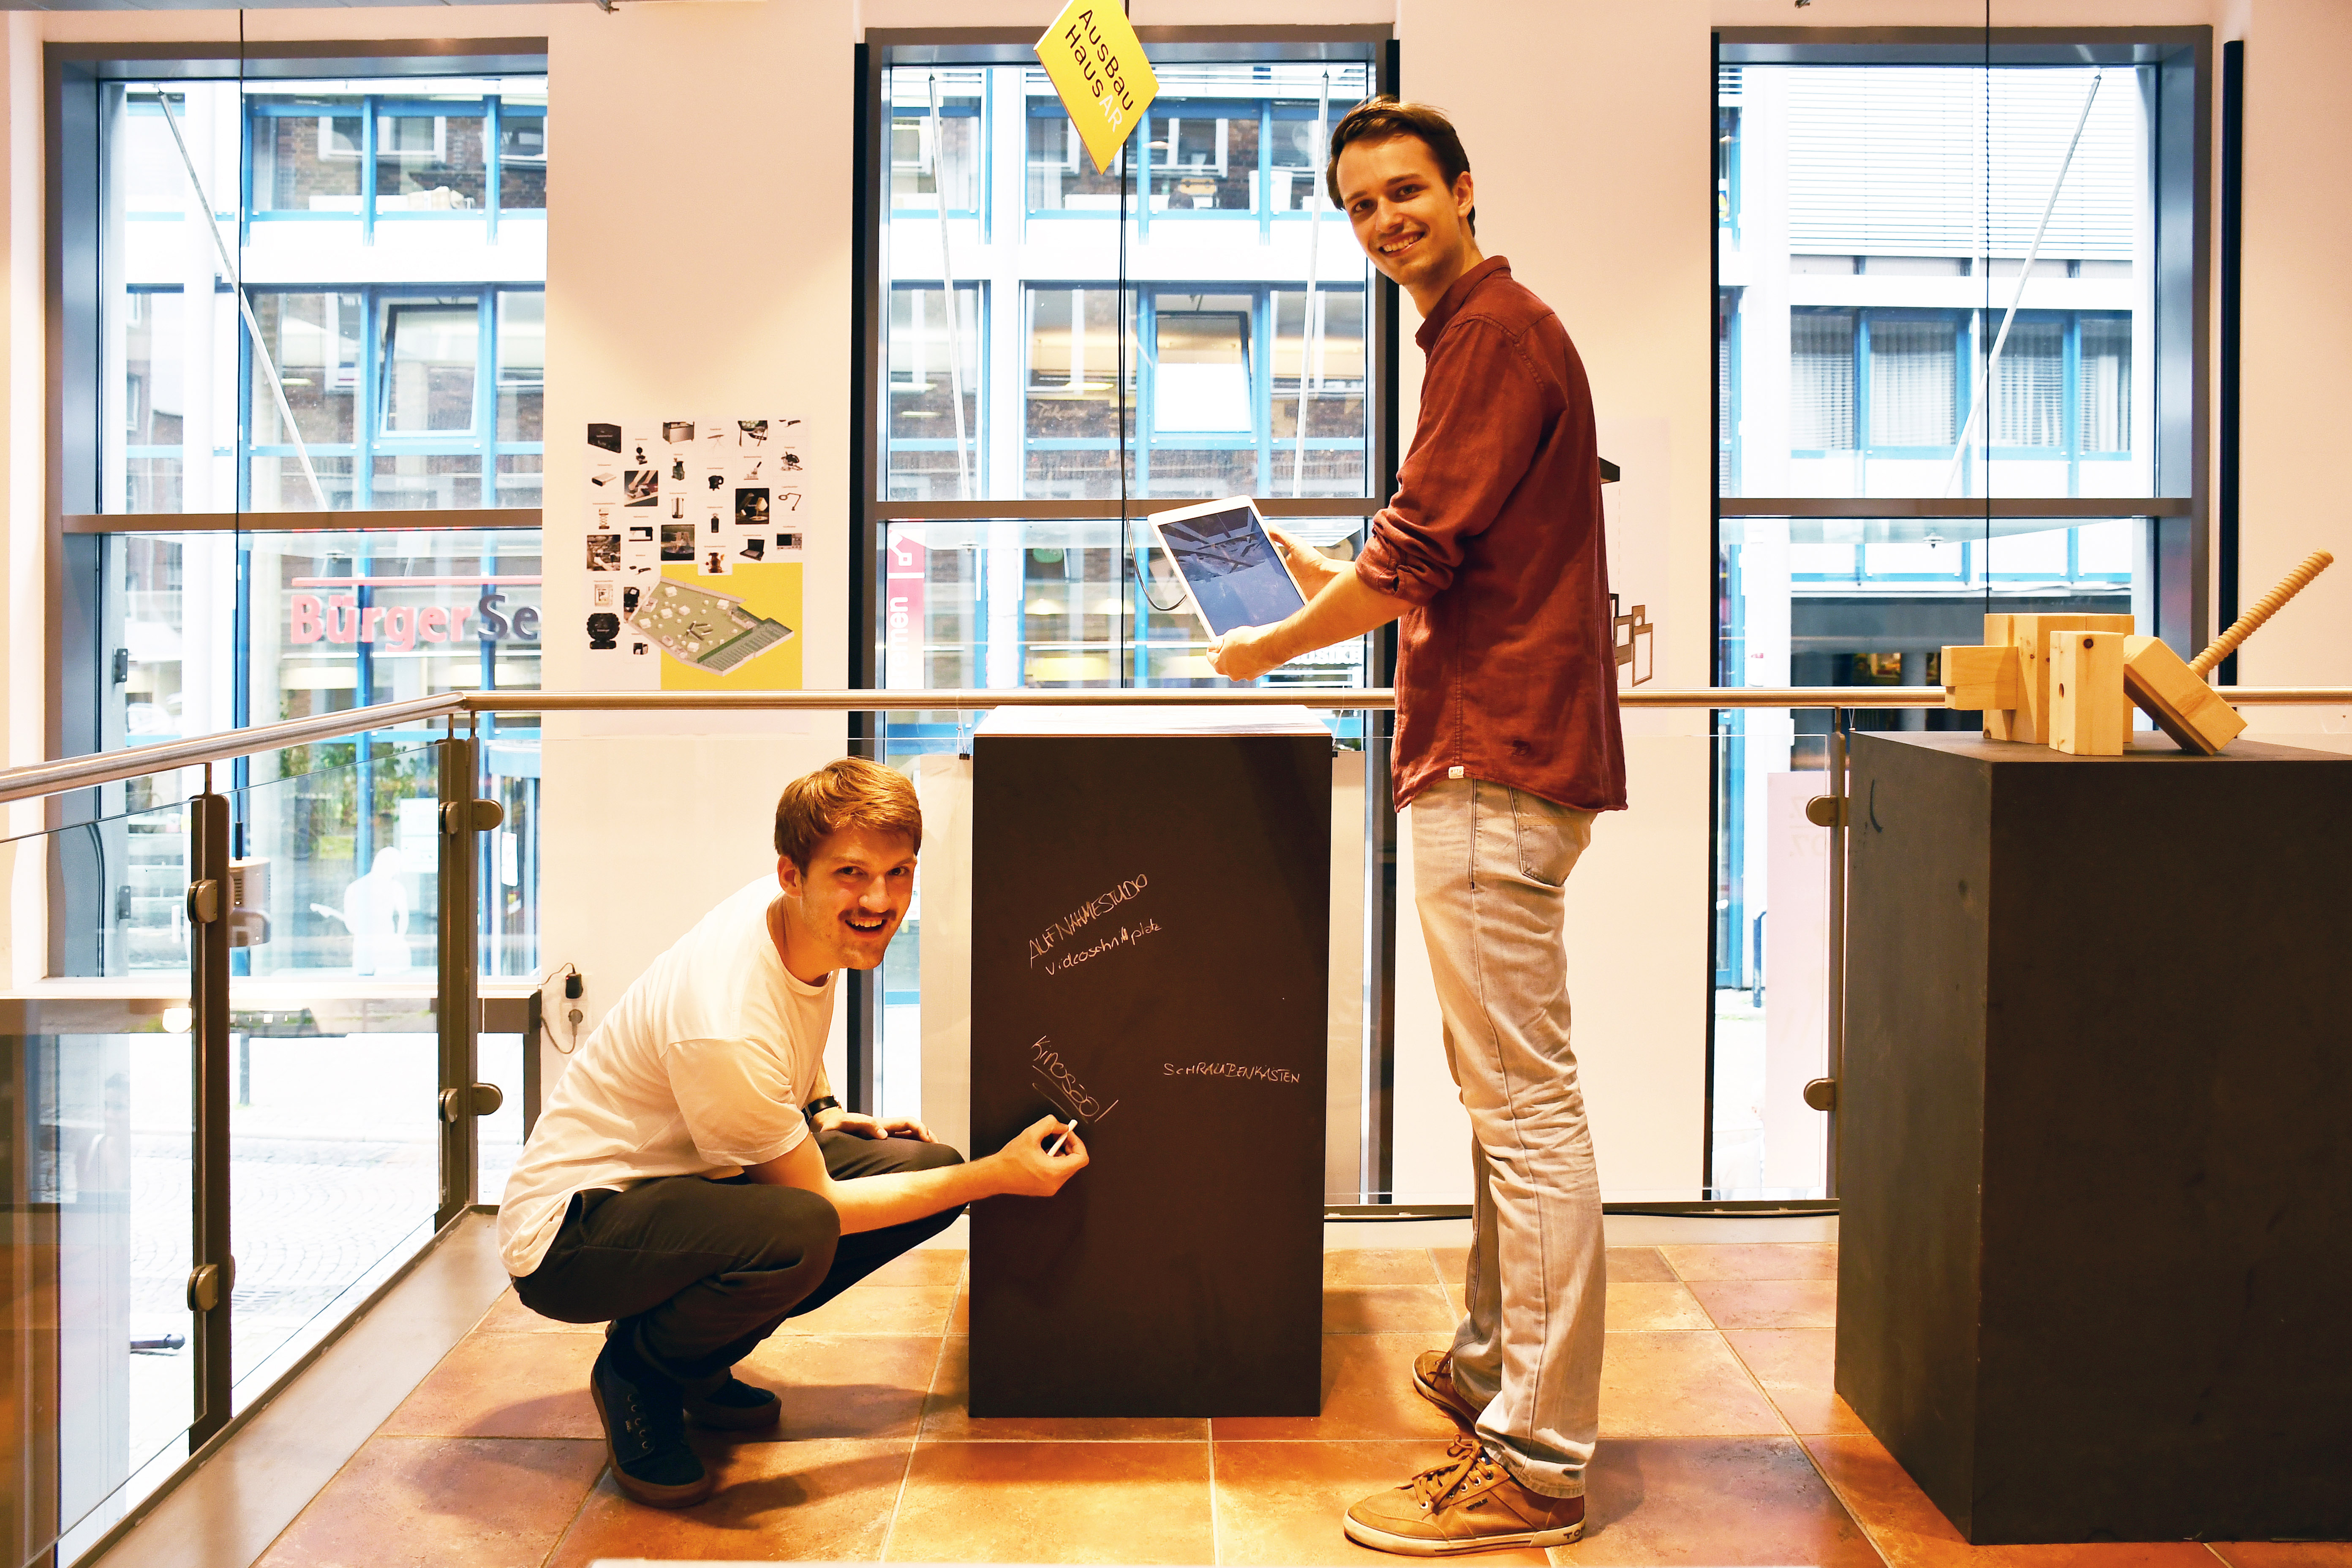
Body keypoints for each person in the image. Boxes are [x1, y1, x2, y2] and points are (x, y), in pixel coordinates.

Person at [1207, 96, 1626, 1555]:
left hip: (1491, 758)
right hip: (1496, 752)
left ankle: (1538, 1457)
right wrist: (1316, 572)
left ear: (1462, 189)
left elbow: (1412, 562)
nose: (1385, 219)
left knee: (1525, 1108)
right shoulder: (1474, 340)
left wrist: (1270, 646)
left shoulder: (1494, 335)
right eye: (1359, 204)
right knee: (1503, 1095)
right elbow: (1437, 551)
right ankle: (1490, 1360)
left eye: (1405, 191)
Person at [496, 757, 1088, 1508]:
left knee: (923, 1167)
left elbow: (790, 1028)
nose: (880, 900)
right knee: (801, 1230)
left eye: (900, 873)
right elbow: (820, 1200)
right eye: (852, 874)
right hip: (572, 1233)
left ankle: (695, 1357)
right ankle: (640, 1372)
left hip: (685, 1184)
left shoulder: (794, 920)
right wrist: (997, 1176)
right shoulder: (724, 1021)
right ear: (792, 874)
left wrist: (824, 1110)